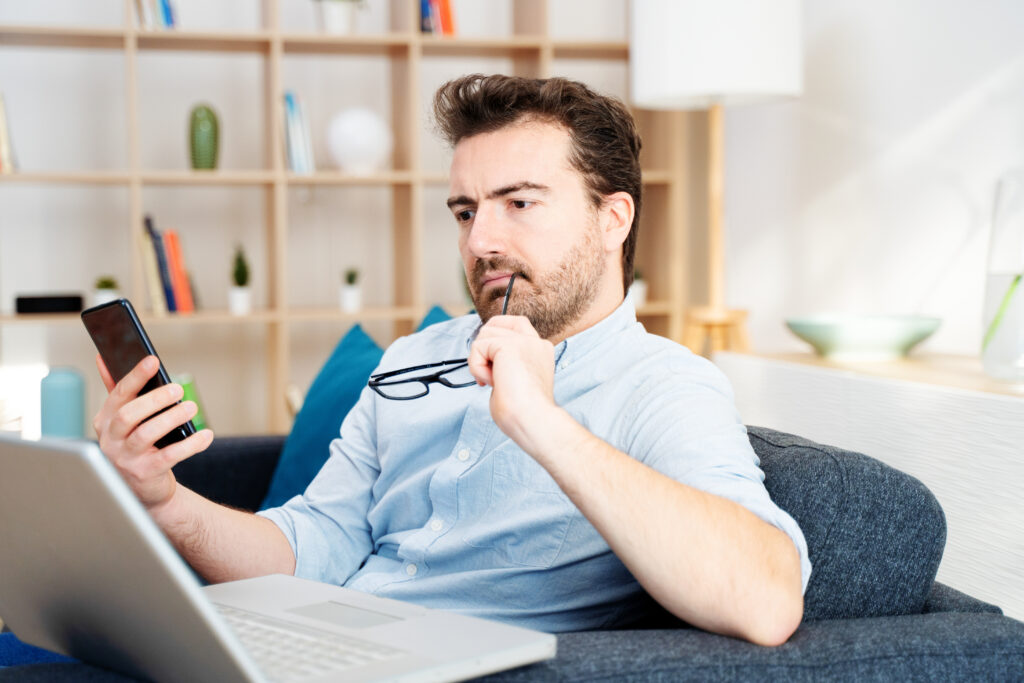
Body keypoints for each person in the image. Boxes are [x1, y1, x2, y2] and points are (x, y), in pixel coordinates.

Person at [93, 74, 810, 646]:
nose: (480, 241)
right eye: (466, 211)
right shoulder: (414, 358)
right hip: (318, 640)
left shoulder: (664, 384)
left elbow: (767, 598)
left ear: (612, 217)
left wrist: (540, 420)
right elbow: (316, 542)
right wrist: (165, 504)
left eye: (520, 203)